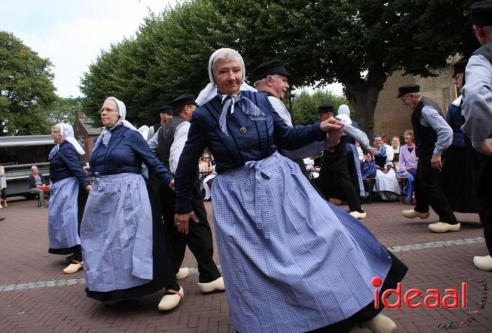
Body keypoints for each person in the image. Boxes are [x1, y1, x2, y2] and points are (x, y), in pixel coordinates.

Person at [174, 48, 407, 333]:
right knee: (257, 268)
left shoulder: (261, 101)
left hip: (281, 185)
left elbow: (286, 137)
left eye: (236, 70)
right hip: (238, 199)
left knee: (328, 239)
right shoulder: (204, 116)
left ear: (243, 72)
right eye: (224, 71)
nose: (232, 76)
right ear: (213, 76)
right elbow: (187, 163)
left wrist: (318, 129)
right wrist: (182, 206)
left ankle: (364, 311)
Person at [81, 96, 177, 306]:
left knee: (134, 240)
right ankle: (115, 288)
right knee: (107, 243)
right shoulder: (101, 139)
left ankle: (170, 284)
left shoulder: (130, 135)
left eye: (108, 109)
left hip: (129, 194)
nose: (103, 113)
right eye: (102, 110)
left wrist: (169, 179)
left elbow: (151, 160)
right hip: (104, 197)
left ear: (119, 114)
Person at [153, 94, 224, 311]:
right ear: (186, 108)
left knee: (175, 232)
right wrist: (178, 183)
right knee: (199, 229)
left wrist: (162, 176)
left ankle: (171, 271)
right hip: (182, 187)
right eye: (194, 106)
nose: (197, 110)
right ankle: (208, 275)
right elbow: (179, 160)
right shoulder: (185, 126)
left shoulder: (162, 129)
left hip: (165, 186)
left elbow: (150, 150)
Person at [398, 84, 459, 233]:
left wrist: (437, 153)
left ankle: (449, 220)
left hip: (432, 153)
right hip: (427, 153)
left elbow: (446, 131)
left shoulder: (426, 109)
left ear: (413, 96)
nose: (403, 103)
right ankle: (421, 209)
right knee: (420, 179)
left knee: (431, 185)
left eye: (404, 99)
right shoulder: (423, 106)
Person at [461, 0, 492, 271]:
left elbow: (475, 97)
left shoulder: (483, 57)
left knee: (488, 198)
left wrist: (479, 140)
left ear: (479, 31)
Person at [317, 103, 373, 219]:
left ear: (328, 114)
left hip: (339, 156)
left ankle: (358, 209)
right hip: (328, 156)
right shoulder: (322, 125)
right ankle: (322, 208)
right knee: (323, 181)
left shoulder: (339, 122)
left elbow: (359, 134)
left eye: (321, 115)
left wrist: (366, 147)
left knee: (344, 181)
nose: (320, 118)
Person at [47, 123, 91, 274]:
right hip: (62, 189)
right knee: (64, 221)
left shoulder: (66, 148)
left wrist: (86, 185)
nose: (53, 134)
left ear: (64, 134)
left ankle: (80, 258)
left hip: (70, 190)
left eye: (55, 131)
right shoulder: (62, 148)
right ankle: (77, 253)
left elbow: (75, 168)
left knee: (72, 221)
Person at [440, 58, 479, 214]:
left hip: (472, 147)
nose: (455, 81)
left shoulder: (468, 100)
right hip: (462, 148)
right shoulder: (456, 104)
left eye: (457, 77)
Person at [372, 135, 400, 201]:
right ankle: (381, 194)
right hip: (377, 167)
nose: (378, 142)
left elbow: (390, 161)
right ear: (373, 142)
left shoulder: (388, 148)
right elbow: (372, 162)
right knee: (379, 176)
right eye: (376, 141)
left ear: (382, 141)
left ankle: (391, 193)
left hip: (387, 167)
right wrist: (381, 169)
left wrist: (387, 169)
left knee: (391, 175)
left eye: (379, 140)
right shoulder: (372, 150)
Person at [397, 130, 418, 203]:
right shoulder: (402, 148)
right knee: (410, 177)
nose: (405, 136)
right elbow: (401, 162)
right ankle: (411, 197)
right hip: (407, 170)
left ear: (412, 136)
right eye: (404, 134)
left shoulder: (417, 147)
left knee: (419, 176)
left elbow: (420, 161)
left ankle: (417, 197)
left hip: (416, 169)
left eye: (407, 135)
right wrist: (404, 170)